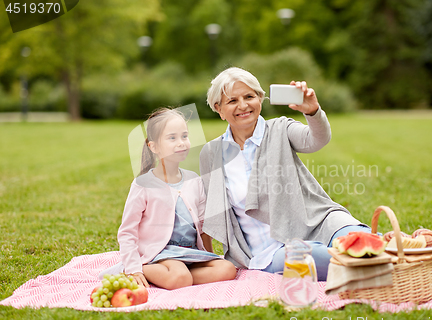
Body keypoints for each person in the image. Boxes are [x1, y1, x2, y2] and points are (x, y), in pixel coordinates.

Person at [200, 67, 372, 281]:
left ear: (260, 98)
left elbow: (316, 140)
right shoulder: (212, 153)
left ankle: (407, 251)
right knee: (323, 258)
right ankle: (384, 265)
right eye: (232, 101)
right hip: (268, 249)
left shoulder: (280, 128)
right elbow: (208, 210)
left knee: (364, 241)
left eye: (249, 96)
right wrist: (206, 257)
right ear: (219, 108)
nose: (243, 105)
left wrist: (312, 111)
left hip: (317, 222)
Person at [101, 108, 236, 290]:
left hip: (190, 252)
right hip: (161, 253)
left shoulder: (193, 180)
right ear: (154, 146)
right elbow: (127, 232)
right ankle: (138, 269)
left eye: (184, 136)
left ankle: (180, 278)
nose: (181, 143)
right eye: (172, 138)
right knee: (179, 274)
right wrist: (134, 268)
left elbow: (203, 227)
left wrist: (208, 257)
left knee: (227, 269)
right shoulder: (143, 184)